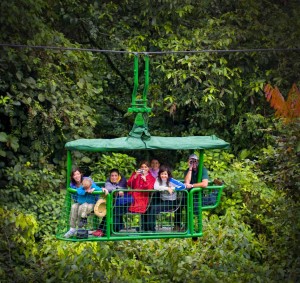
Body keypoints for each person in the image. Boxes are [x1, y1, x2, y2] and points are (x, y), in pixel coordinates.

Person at [173, 153, 209, 231]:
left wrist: (192, 186)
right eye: (191, 161)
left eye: (195, 161)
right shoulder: (188, 171)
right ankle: (177, 225)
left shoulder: (202, 170)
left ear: (198, 161)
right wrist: (190, 169)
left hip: (197, 196)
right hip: (188, 194)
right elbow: (187, 182)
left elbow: (205, 184)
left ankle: (189, 227)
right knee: (178, 204)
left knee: (192, 209)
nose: (193, 163)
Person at [146, 165, 185, 231]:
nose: (163, 176)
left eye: (165, 174)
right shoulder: (158, 180)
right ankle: (147, 227)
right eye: (162, 174)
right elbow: (156, 187)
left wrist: (173, 188)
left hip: (171, 201)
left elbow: (183, 186)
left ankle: (151, 229)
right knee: (149, 207)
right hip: (162, 200)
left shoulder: (171, 180)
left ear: (168, 174)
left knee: (154, 208)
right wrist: (167, 188)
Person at [92, 168, 128, 236]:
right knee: (110, 211)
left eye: (115, 175)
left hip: (123, 203)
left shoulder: (122, 180)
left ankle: (105, 231)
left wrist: (116, 189)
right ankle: (102, 229)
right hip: (115, 203)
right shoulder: (108, 180)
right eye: (112, 175)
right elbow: (108, 188)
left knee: (113, 212)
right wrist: (116, 189)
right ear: (110, 176)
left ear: (118, 176)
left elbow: (120, 188)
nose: (114, 177)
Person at [127, 160, 155, 230]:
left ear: (148, 168)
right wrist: (135, 176)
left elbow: (150, 189)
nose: (144, 169)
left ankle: (144, 227)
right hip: (133, 196)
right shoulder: (136, 174)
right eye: (142, 167)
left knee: (144, 208)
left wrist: (145, 180)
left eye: (145, 167)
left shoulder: (151, 178)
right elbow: (129, 184)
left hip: (143, 197)